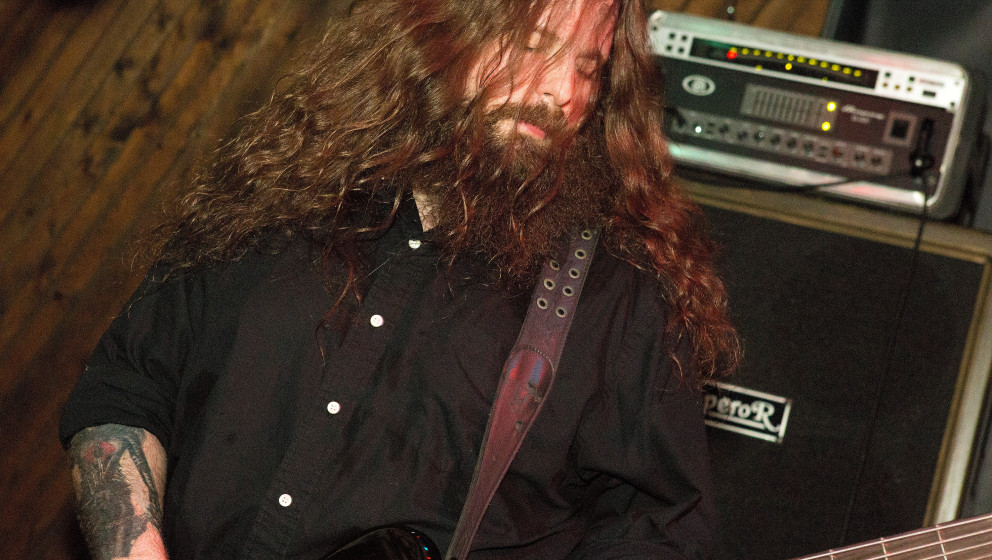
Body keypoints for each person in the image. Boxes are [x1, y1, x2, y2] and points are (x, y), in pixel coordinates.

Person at [59, 0, 740, 558]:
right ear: (442, 29)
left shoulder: (615, 297)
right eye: (533, 46)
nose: (562, 94)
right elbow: (127, 387)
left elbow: (660, 531)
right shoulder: (276, 196)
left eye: (588, 72)